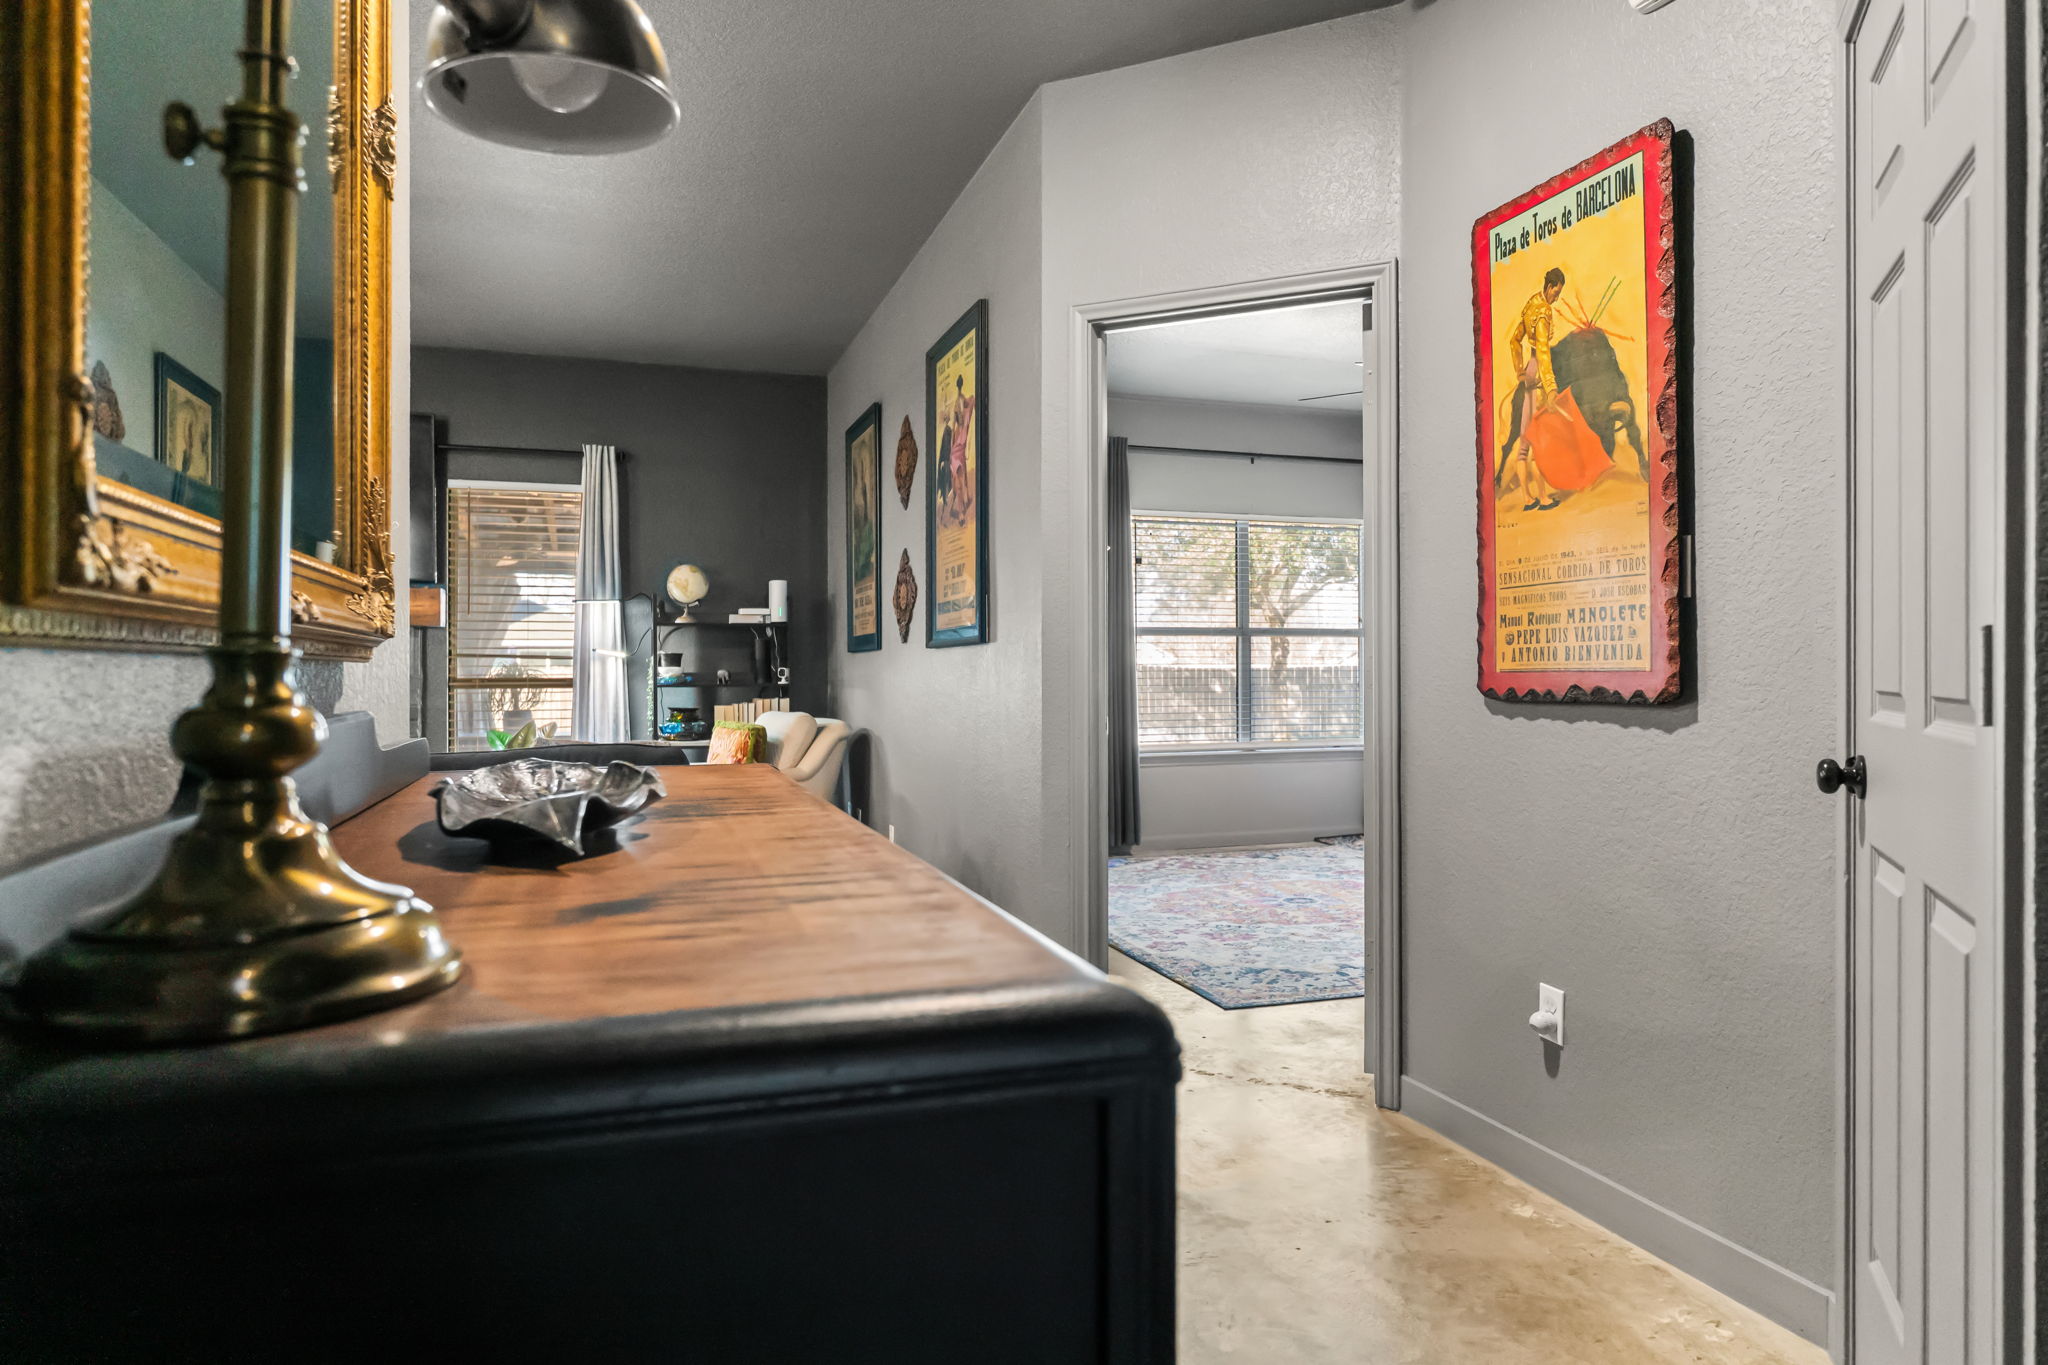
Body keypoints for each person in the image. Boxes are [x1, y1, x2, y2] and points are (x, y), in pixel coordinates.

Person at [1506, 266, 1566, 512]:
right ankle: (1542, 499)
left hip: (1528, 373)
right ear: (1550, 286)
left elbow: (1514, 340)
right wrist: (1551, 387)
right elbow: (1543, 352)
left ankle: (1527, 499)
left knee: (1523, 443)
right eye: (1557, 292)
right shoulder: (1543, 312)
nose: (1557, 297)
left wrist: (1519, 370)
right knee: (1538, 441)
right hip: (1539, 374)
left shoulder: (1531, 302)